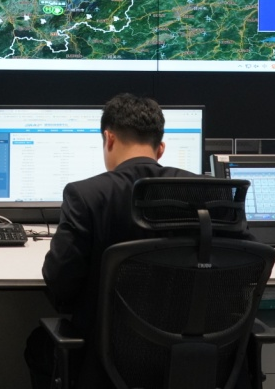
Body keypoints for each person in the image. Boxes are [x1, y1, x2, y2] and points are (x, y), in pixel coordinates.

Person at [26, 93, 195, 389]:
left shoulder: (87, 195)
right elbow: (251, 261)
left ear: (109, 138)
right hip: (192, 359)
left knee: (37, 344)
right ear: (161, 149)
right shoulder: (208, 192)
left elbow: (59, 282)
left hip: (104, 364)